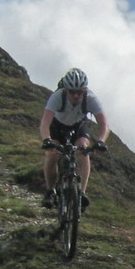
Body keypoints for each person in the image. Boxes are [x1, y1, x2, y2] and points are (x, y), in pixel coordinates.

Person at [40, 68, 109, 208]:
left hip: (78, 125)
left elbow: (104, 124)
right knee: (52, 154)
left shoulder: (91, 98)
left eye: (80, 92)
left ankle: (82, 193)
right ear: (66, 90)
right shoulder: (57, 97)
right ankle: (50, 191)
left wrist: (101, 141)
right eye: (72, 91)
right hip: (57, 126)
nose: (76, 95)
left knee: (83, 150)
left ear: (84, 90)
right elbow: (45, 123)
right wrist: (47, 139)